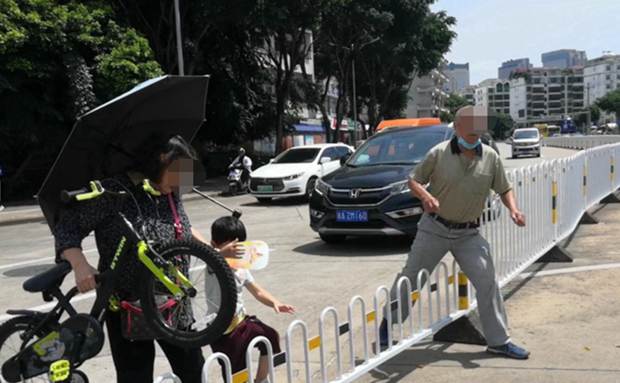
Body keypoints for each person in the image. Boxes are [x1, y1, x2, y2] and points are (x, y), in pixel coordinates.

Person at [54, 134, 238, 383]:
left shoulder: (171, 192)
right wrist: (80, 264)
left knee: (194, 371)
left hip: (174, 303)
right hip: (128, 305)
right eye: (178, 170)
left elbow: (182, 228)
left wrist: (212, 252)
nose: (183, 179)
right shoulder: (115, 191)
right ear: (159, 162)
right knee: (135, 376)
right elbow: (67, 228)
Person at [380, 105, 530, 360]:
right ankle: (387, 326)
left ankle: (498, 341)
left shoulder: (491, 157)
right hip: (434, 228)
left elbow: (504, 188)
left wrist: (514, 209)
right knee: (412, 277)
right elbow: (414, 180)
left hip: (468, 234)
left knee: (487, 282)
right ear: (457, 127)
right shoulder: (438, 153)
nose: (473, 132)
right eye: (468, 126)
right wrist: (426, 196)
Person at [209, 216, 295, 383]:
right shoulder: (212, 265)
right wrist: (221, 253)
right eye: (231, 246)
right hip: (221, 331)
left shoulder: (240, 266)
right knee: (235, 372)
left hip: (241, 322)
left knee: (270, 337)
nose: (236, 250)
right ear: (215, 245)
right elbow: (211, 256)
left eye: (240, 245)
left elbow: (257, 291)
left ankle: (260, 380)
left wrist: (275, 302)